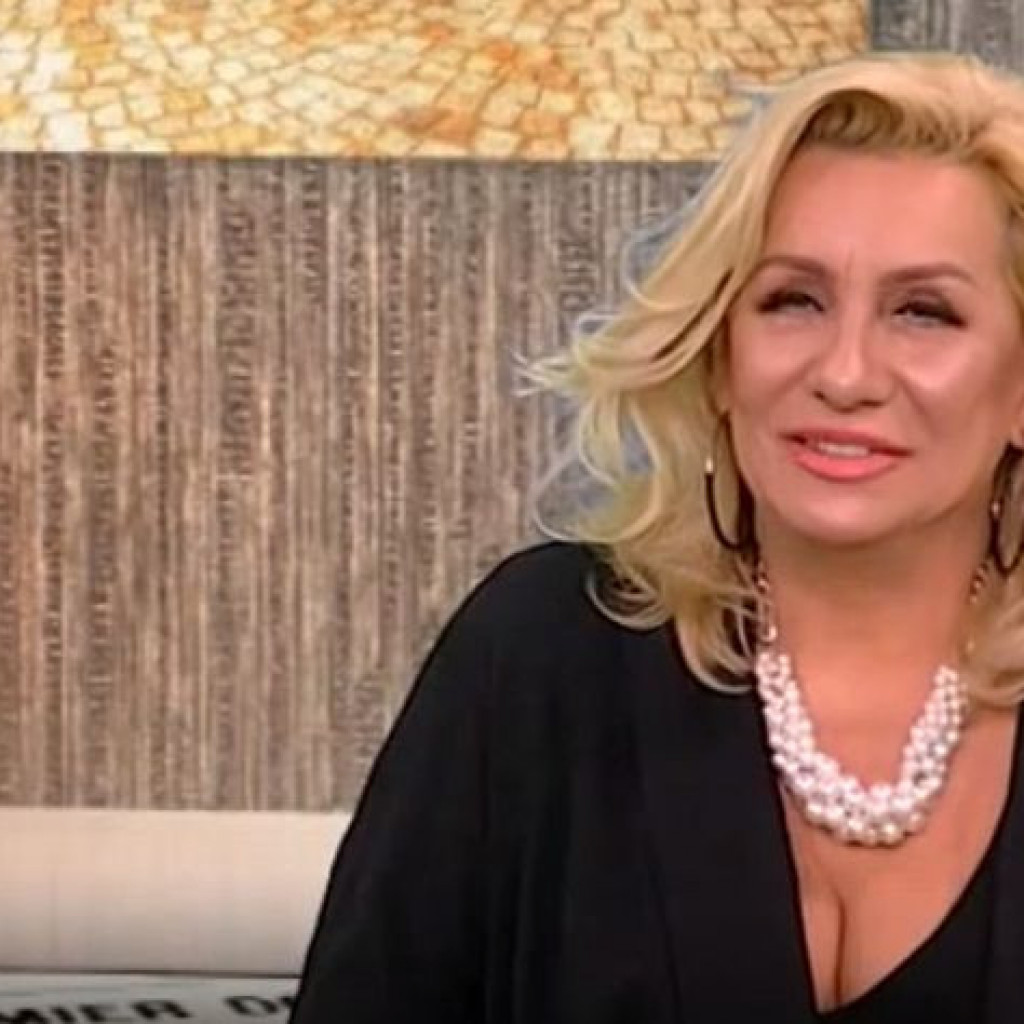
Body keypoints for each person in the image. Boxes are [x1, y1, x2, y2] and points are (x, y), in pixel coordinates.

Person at [288, 51, 1024, 1022]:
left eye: (923, 312)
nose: (845, 373)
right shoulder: (541, 654)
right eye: (792, 300)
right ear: (720, 357)